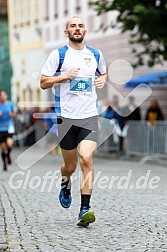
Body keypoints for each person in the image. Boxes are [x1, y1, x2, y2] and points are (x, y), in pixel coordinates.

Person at [40, 16, 107, 227]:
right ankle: (65, 183)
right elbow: (43, 82)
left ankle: (85, 208)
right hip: (66, 118)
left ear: (85, 31)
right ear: (66, 32)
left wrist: (102, 79)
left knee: (86, 159)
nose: (76, 29)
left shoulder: (95, 54)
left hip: (89, 116)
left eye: (80, 26)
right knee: (70, 167)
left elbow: (103, 72)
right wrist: (64, 77)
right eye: (72, 26)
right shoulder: (58, 55)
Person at [0, 90, 15, 171]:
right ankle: (4, 164)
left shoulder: (10, 104)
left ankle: (8, 155)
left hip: (9, 127)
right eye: (1, 95)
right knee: (3, 148)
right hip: (0, 128)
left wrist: (11, 114)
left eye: (4, 95)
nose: (3, 97)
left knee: (9, 144)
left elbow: (14, 113)